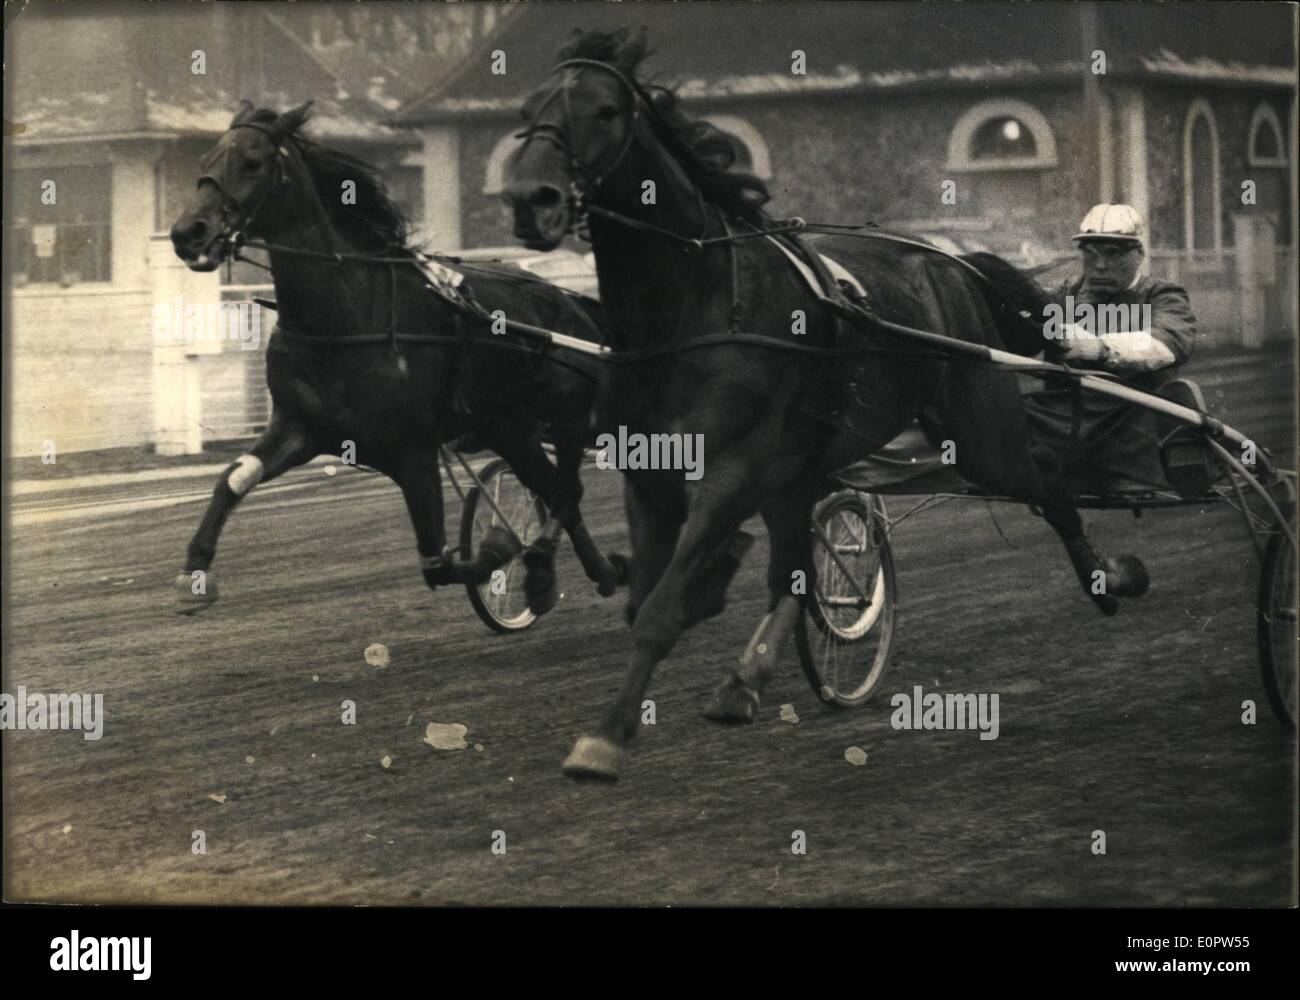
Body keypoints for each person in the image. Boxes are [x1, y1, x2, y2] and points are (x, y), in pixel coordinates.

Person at [1025, 203, 1203, 492]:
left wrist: (1100, 348)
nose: (1100, 265)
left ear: (1139, 255)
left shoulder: (1162, 295)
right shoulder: (1062, 295)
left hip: (1132, 420)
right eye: (1090, 254)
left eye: (1114, 254)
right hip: (1067, 419)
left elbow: (1168, 342)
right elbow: (1021, 330)